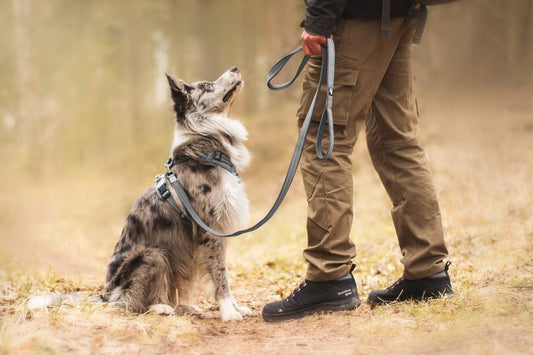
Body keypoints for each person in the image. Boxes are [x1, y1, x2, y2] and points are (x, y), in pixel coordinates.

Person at [262, 0, 453, 322]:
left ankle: (329, 276)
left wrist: (319, 19)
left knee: (324, 142)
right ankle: (427, 272)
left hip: (354, 18)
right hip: (398, 14)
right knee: (399, 144)